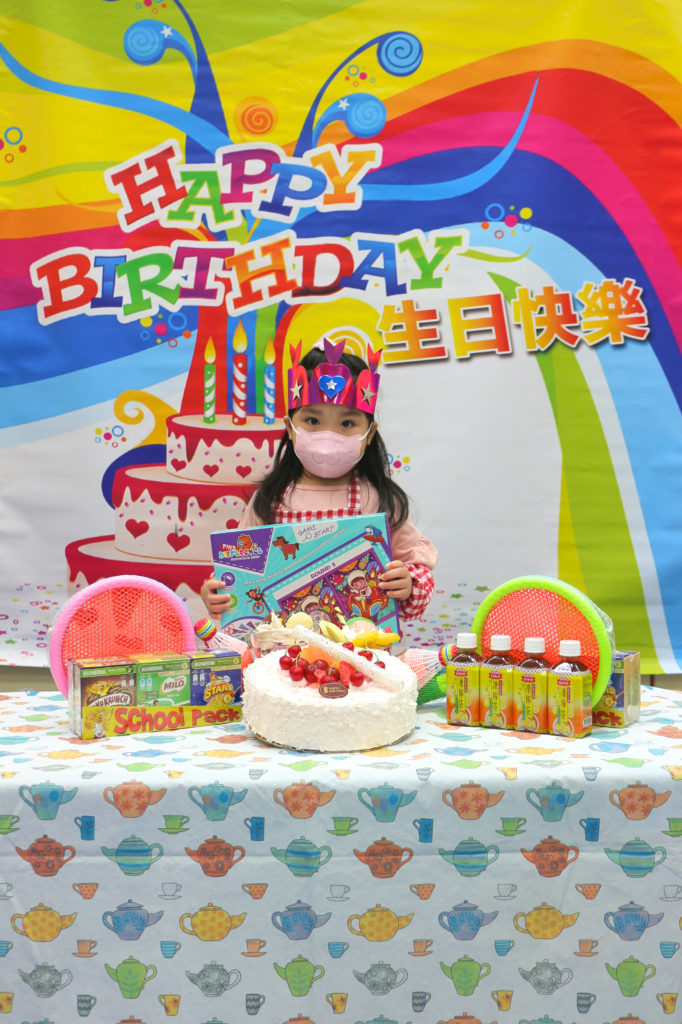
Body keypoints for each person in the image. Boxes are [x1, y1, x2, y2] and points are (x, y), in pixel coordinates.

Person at [201, 340, 437, 621]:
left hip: (364, 642)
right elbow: (240, 571)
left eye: (347, 424)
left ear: (369, 434)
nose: (328, 436)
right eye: (313, 421)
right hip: (283, 645)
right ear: (290, 428)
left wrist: (407, 584)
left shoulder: (380, 499)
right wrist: (217, 593)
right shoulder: (270, 499)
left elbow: (418, 570)